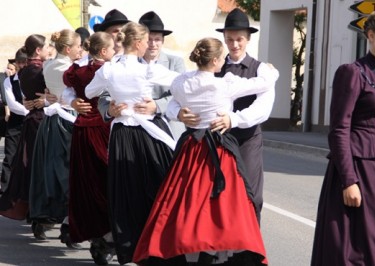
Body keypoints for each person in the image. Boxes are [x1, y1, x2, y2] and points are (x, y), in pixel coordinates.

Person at [134, 37, 276, 266]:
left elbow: (172, 103)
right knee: (222, 203)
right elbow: (262, 84)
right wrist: (271, 72)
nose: (223, 62)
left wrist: (179, 112)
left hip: (191, 147)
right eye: (221, 58)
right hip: (219, 149)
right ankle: (220, 252)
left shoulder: (182, 82)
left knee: (185, 201)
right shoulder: (225, 83)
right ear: (215, 60)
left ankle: (188, 250)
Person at [168, 8, 276, 223]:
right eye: (230, 39)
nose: (234, 44)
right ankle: (219, 251)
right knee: (214, 195)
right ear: (224, 40)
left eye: (239, 39)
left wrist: (233, 119)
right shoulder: (213, 64)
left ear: (248, 39)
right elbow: (179, 98)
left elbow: (264, 107)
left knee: (251, 194)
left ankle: (248, 250)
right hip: (213, 142)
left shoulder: (261, 69)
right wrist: (178, 113)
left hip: (246, 139)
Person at [85, 21, 179, 265]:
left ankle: (131, 247)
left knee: (126, 191)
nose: (149, 45)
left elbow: (89, 92)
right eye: (147, 41)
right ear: (138, 43)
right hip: (148, 133)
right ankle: (157, 244)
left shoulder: (108, 70)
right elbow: (180, 82)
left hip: (122, 136)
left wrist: (116, 100)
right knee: (160, 186)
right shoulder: (147, 69)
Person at [311, 9, 375, 265]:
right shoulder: (352, 72)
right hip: (361, 169)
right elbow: (339, 128)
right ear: (370, 35)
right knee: (358, 247)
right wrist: (348, 181)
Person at [64, 31, 115, 265]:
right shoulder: (107, 70)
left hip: (83, 130)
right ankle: (104, 234)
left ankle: (101, 234)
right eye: (112, 47)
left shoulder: (77, 71)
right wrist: (72, 101)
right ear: (103, 51)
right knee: (104, 183)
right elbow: (68, 94)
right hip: (102, 129)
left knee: (89, 183)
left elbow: (69, 89)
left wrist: (73, 99)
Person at [29, 29, 81, 246]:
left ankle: (51, 217)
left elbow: (53, 94)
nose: (81, 49)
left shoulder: (50, 64)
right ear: (68, 49)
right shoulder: (67, 67)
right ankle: (69, 223)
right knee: (68, 172)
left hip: (53, 119)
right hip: (67, 119)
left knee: (53, 170)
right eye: (79, 46)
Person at [0, 34, 49, 223]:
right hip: (40, 120)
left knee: (28, 165)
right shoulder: (40, 71)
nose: (48, 51)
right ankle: (38, 207)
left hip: (31, 118)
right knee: (40, 165)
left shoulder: (25, 71)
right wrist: (44, 101)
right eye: (46, 47)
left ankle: (31, 206)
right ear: (38, 50)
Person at [136, 11, 186, 139]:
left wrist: (157, 106)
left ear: (163, 40)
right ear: (139, 41)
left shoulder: (175, 62)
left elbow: (183, 94)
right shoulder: (128, 63)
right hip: (137, 130)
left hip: (170, 128)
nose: (153, 44)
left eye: (157, 39)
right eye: (149, 40)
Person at [0, 48, 28, 194]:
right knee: (10, 157)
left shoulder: (35, 79)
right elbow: (12, 104)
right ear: (16, 63)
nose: (24, 66)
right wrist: (29, 111)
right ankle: (5, 191)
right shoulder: (9, 81)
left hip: (32, 123)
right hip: (16, 123)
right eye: (21, 63)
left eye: (26, 62)